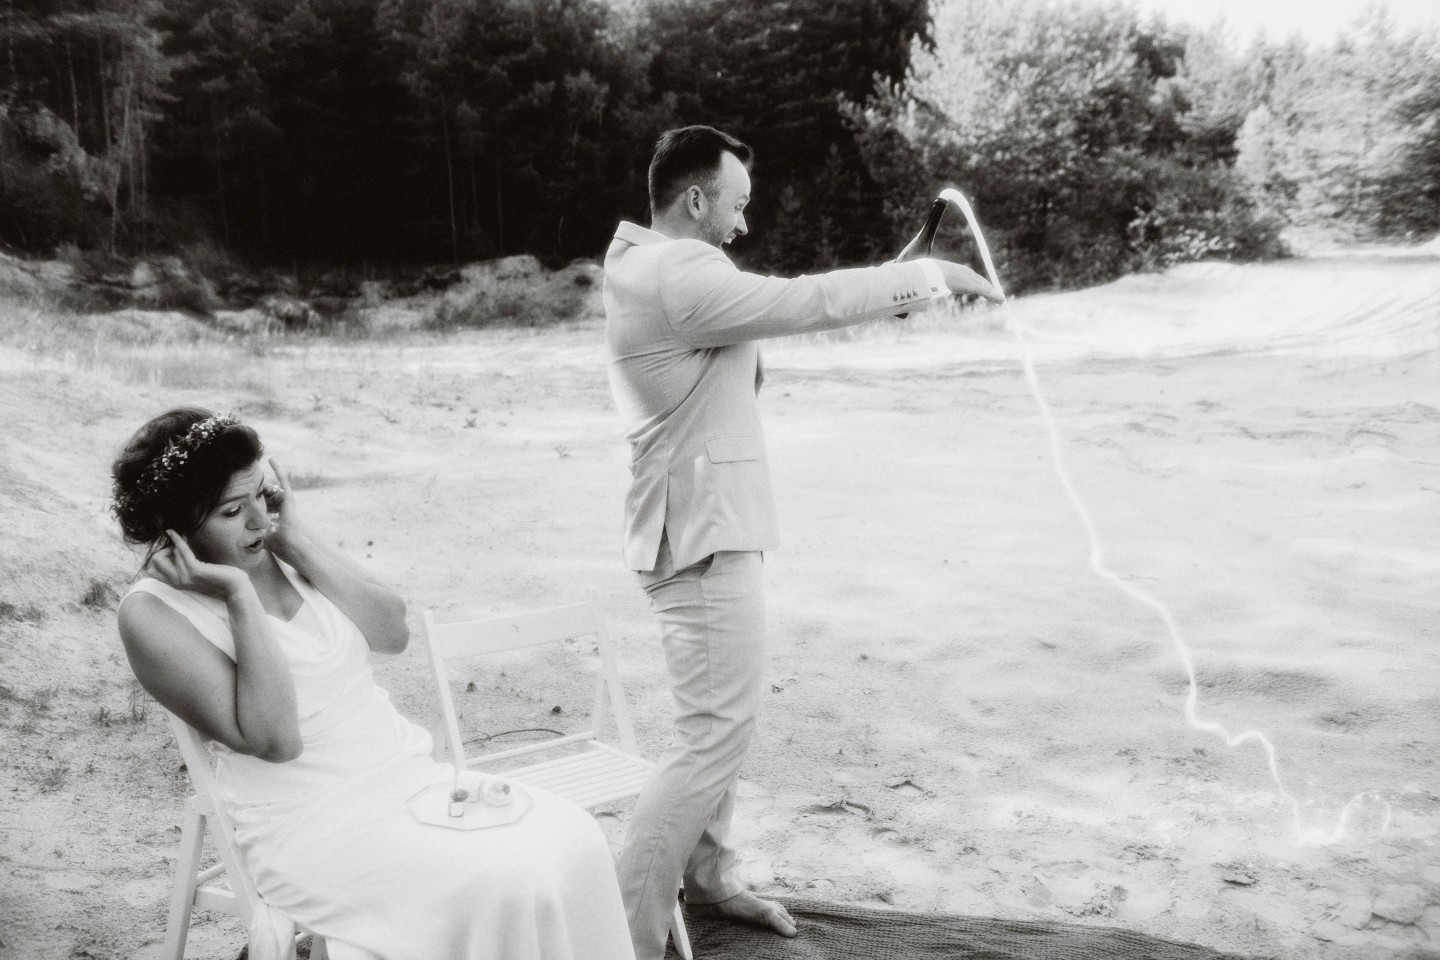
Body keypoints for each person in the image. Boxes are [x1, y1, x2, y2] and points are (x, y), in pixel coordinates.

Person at [602, 124, 1004, 959]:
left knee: (718, 731)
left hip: (701, 529)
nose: (744, 224)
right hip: (701, 537)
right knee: (711, 740)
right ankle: (619, 939)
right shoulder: (678, 273)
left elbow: (763, 335)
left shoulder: (654, 269)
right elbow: (805, 301)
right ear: (696, 200)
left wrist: (890, 287)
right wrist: (926, 277)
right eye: (737, 205)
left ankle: (708, 881)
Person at [111, 407, 636, 960]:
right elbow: (277, 740)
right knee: (510, 884)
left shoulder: (275, 547)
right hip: (311, 826)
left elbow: (392, 632)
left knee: (575, 839)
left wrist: (298, 544)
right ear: (178, 524)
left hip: (406, 777)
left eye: (264, 495)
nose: (260, 520)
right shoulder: (152, 615)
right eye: (233, 511)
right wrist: (238, 595)